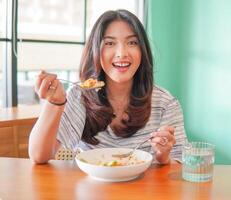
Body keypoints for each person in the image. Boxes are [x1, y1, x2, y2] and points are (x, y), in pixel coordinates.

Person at [29, 9, 186, 164]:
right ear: (95, 51)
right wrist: (55, 103)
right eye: (110, 43)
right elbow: (39, 156)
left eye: (132, 42)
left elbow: (181, 163)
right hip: (92, 188)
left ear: (142, 51)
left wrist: (164, 158)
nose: (122, 53)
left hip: (146, 189)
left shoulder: (165, 104)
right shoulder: (80, 95)